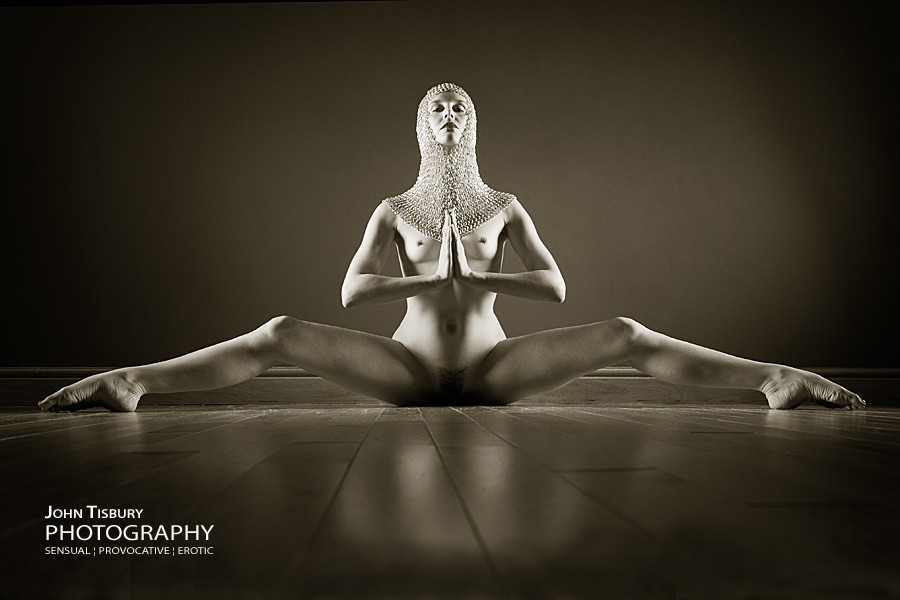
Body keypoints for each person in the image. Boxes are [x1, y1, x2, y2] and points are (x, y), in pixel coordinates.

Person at [38, 83, 865, 413]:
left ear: (472, 125)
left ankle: (774, 377)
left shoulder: (502, 205)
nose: (447, 115)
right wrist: (425, 282)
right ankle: (131, 381)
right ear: (421, 124)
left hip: (495, 367)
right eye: (436, 107)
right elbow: (350, 293)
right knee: (279, 332)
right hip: (406, 368)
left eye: (458, 108)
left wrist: (477, 270)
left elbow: (557, 286)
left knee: (625, 332)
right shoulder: (395, 209)